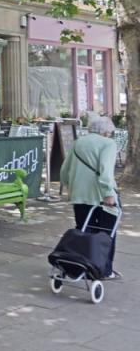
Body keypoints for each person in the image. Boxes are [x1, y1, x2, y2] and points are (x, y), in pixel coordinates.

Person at [60, 116, 122, 280]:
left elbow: (64, 171)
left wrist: (69, 187)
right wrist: (108, 193)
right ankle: (105, 270)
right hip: (102, 197)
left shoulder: (78, 143)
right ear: (106, 131)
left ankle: (82, 268)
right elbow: (105, 171)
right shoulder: (108, 144)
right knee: (107, 234)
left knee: (83, 231)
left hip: (79, 195)